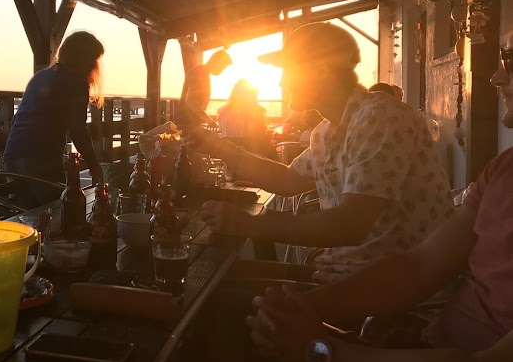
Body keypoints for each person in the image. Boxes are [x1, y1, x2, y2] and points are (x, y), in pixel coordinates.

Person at [240, 43, 513, 362]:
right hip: (418, 340)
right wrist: (305, 309)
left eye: (510, 62)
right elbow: (418, 266)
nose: (496, 78)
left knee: (229, 345)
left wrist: (319, 351)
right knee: (235, 317)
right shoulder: (501, 171)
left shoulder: (381, 118)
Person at [193, 22, 452, 283]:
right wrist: (218, 147)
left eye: (288, 71)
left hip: (393, 291)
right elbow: (284, 180)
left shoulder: (381, 117)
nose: (282, 82)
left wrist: (249, 226)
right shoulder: (325, 133)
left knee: (220, 298)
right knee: (222, 281)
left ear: (320, 71)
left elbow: (349, 226)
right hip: (342, 274)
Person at [4, 31, 104, 208]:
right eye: (93, 61)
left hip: (13, 154)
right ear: (84, 61)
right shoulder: (75, 84)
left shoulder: (41, 76)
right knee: (61, 212)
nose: (95, 67)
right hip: (41, 158)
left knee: (29, 214)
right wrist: (95, 167)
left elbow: (20, 119)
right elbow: (78, 131)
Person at [217, 79, 273, 158]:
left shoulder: (222, 111)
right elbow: (259, 135)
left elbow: (223, 132)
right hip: (250, 153)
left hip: (227, 152)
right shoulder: (257, 111)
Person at [176, 49, 232, 127]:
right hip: (187, 124)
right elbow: (190, 101)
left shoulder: (204, 73)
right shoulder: (200, 73)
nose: (221, 70)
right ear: (216, 61)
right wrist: (209, 120)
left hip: (191, 122)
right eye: (222, 67)